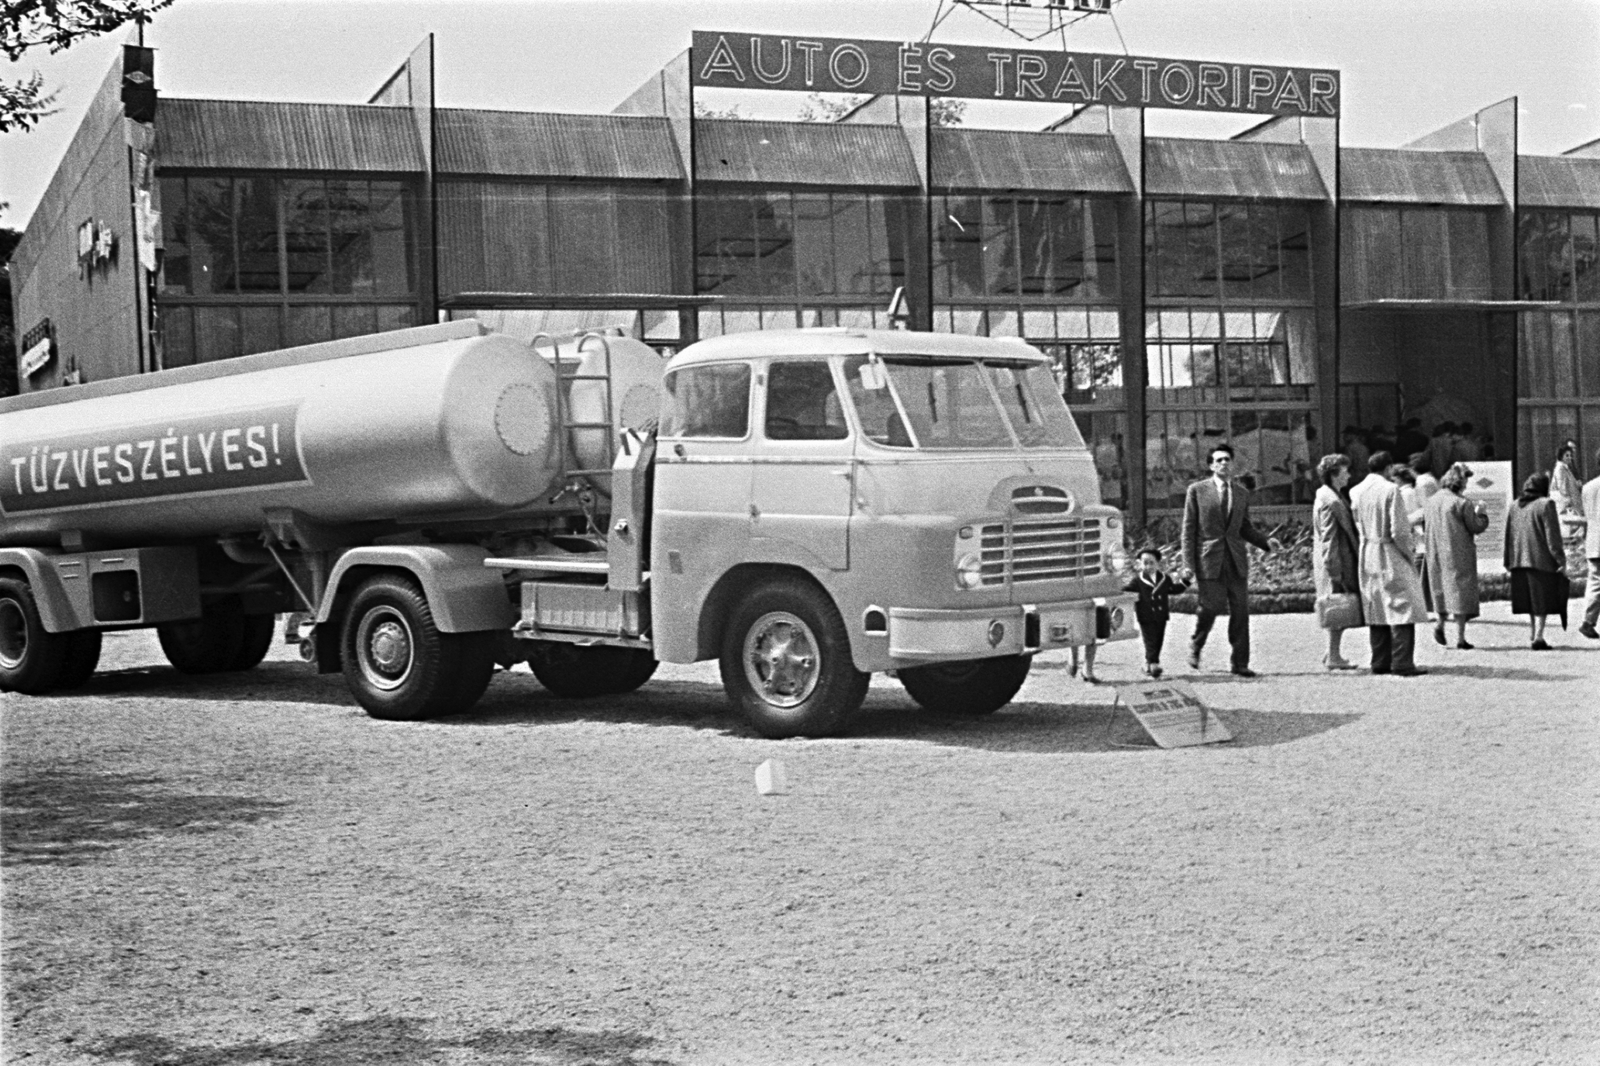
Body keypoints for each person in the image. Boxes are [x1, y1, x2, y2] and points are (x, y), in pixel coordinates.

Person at [1181, 442, 1283, 677]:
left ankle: (1240, 663)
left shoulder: (1241, 493)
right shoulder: (1197, 490)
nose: (1224, 463)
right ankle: (1196, 644)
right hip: (1209, 558)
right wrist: (1188, 565)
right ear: (1211, 465)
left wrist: (1266, 542)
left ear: (1233, 464)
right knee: (1210, 607)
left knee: (1241, 612)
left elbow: (1244, 527)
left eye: (1228, 459)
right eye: (1219, 460)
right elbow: (1189, 530)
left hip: (1235, 559)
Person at [1350, 451, 1430, 676]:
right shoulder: (1390, 489)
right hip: (1388, 550)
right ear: (1388, 468)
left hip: (1367, 550)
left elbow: (1357, 523)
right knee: (1402, 605)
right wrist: (1408, 552)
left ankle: (1380, 661)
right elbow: (1399, 530)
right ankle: (1402, 662)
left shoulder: (1356, 491)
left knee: (1376, 605)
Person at [1423, 463, 1491, 649]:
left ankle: (1440, 624)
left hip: (1435, 551)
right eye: (1466, 480)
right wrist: (1482, 514)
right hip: (1457, 552)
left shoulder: (1431, 501)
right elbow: (1476, 526)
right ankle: (1460, 638)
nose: (1467, 484)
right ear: (1460, 482)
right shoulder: (1462, 503)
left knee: (1440, 589)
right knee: (1460, 591)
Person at [1504, 472, 1568, 650]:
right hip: (1540, 560)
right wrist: (1560, 560)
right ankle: (1539, 636)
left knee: (1529, 600)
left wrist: (1508, 559)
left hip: (1518, 559)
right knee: (1541, 600)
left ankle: (1533, 633)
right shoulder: (1546, 504)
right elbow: (1552, 536)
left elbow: (1509, 534)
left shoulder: (1515, 505)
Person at [1311, 453, 1362, 670]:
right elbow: (1328, 538)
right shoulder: (1330, 500)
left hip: (1337, 560)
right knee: (1337, 606)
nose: (1348, 475)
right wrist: (1335, 571)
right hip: (1338, 561)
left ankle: (1331, 652)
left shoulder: (1331, 496)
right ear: (1334, 474)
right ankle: (1334, 655)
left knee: (1337, 606)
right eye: (1344, 471)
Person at [1124, 547, 1190, 678]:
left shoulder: (1164, 579)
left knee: (1158, 639)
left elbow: (1174, 589)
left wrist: (1185, 581)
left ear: (1158, 563)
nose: (1148, 566)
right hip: (1145, 615)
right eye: (1145, 563)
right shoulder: (1137, 581)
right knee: (1149, 639)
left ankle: (1150, 664)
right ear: (1140, 564)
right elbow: (1127, 590)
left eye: (1151, 562)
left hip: (1161, 614)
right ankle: (1154, 663)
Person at [1581, 447, 1600, 640]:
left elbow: (1587, 514)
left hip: (1594, 541)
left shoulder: (1588, 487)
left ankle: (1588, 621)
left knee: (1595, 583)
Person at [1551, 439, 1584, 519]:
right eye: (1567, 455)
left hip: (1571, 507)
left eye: (1570, 455)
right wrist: (1571, 508)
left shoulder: (1565, 468)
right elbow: (1563, 490)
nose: (1570, 457)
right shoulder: (1560, 468)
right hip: (1568, 509)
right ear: (1561, 456)